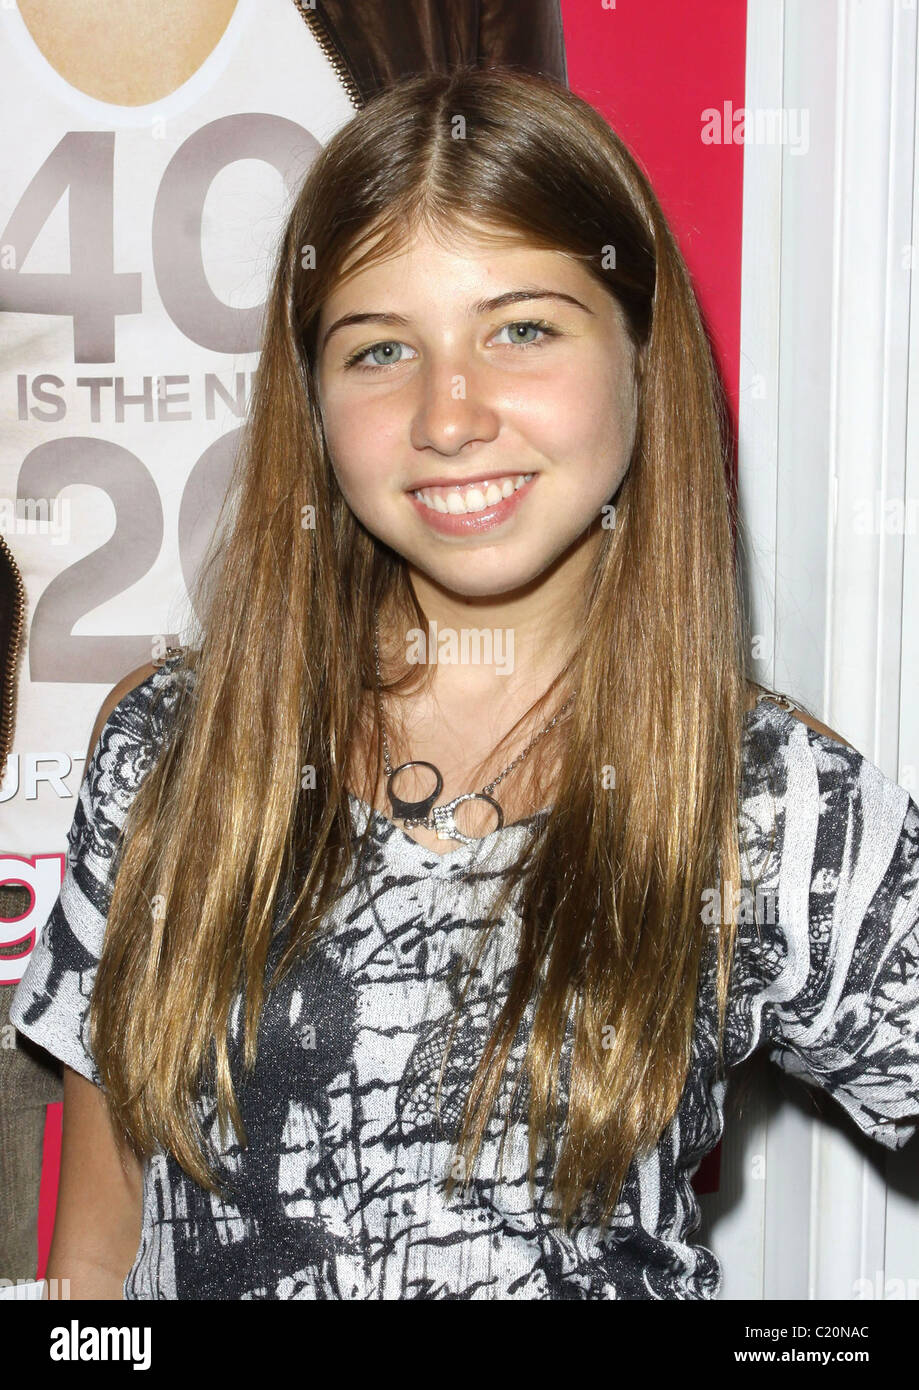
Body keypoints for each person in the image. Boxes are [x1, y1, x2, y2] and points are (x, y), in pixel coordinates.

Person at [11, 65, 919, 1301]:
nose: (449, 415)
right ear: (314, 400)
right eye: (381, 349)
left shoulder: (773, 803)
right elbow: (96, 1257)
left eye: (522, 329)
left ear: (639, 358)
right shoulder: (172, 746)